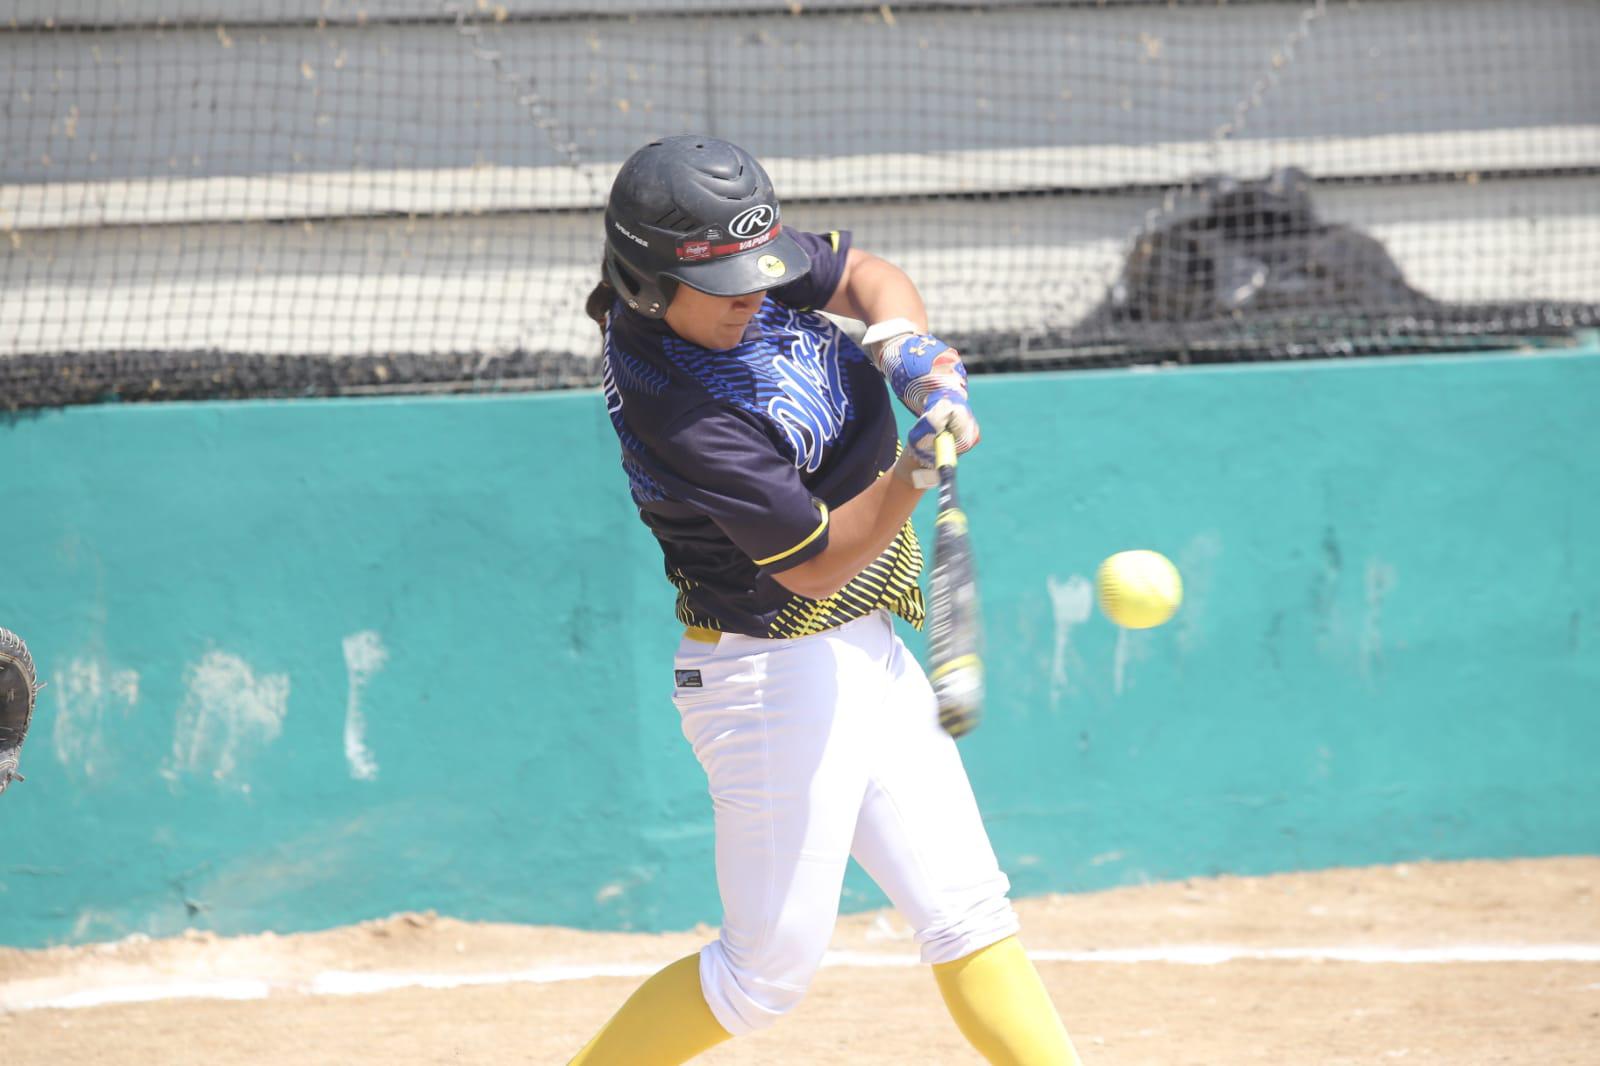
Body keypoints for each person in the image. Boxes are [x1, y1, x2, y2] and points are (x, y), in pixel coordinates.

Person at [570, 135, 1081, 1065]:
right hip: (769, 676)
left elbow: (863, 276)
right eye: (723, 287)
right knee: (760, 977)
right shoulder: (674, 403)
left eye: (756, 274)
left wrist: (907, 346)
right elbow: (812, 565)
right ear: (646, 284)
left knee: (967, 909)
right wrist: (912, 471)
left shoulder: (733, 268)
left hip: (863, 650)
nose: (752, 298)